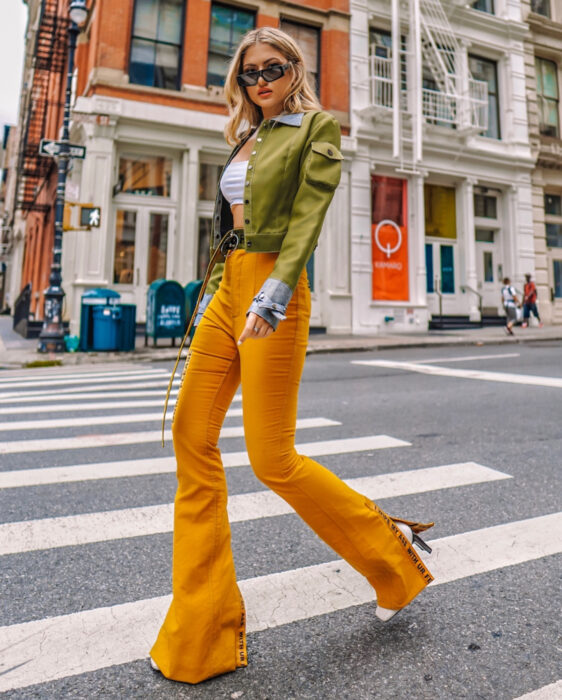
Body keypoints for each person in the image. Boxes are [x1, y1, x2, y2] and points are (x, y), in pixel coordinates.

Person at [150, 27, 434, 685]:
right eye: (249, 74)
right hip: (227, 292)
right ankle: (203, 627)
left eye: (272, 69)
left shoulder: (315, 128)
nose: (260, 82)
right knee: (190, 436)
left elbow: (309, 214)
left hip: (278, 289)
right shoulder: (245, 137)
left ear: (294, 68)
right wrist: (213, 303)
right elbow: (230, 230)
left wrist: (274, 292)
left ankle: (391, 555)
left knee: (271, 458)